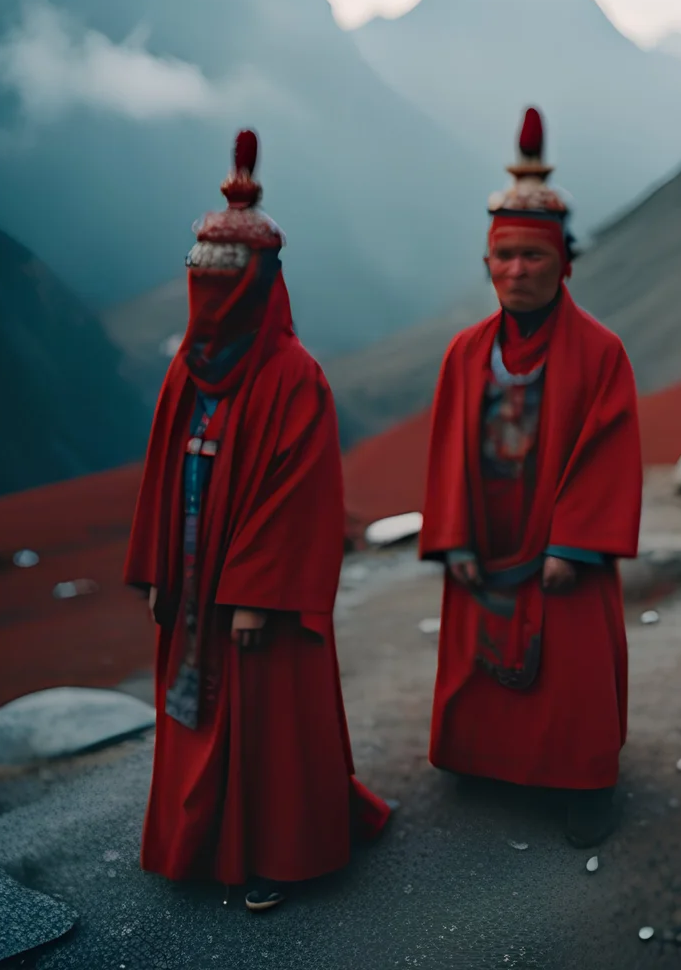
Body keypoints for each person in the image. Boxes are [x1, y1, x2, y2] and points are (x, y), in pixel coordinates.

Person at [125, 130, 389, 912]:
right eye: (199, 283)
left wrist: (257, 593)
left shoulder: (295, 378)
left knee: (267, 723)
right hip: (193, 569)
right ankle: (199, 846)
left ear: (258, 286)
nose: (208, 301)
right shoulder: (187, 371)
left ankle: (277, 852)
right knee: (196, 707)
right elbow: (163, 474)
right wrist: (158, 570)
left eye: (224, 285)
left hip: (251, 595)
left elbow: (301, 495)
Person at [420, 106, 642, 847]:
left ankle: (581, 784)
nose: (517, 272)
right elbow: (447, 450)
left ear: (565, 263)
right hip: (486, 527)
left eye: (534, 258)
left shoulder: (601, 352)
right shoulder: (463, 353)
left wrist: (571, 544)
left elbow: (608, 452)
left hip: (554, 537)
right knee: (480, 654)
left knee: (570, 667)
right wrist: (451, 535)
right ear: (488, 263)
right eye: (504, 257)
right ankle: (486, 760)